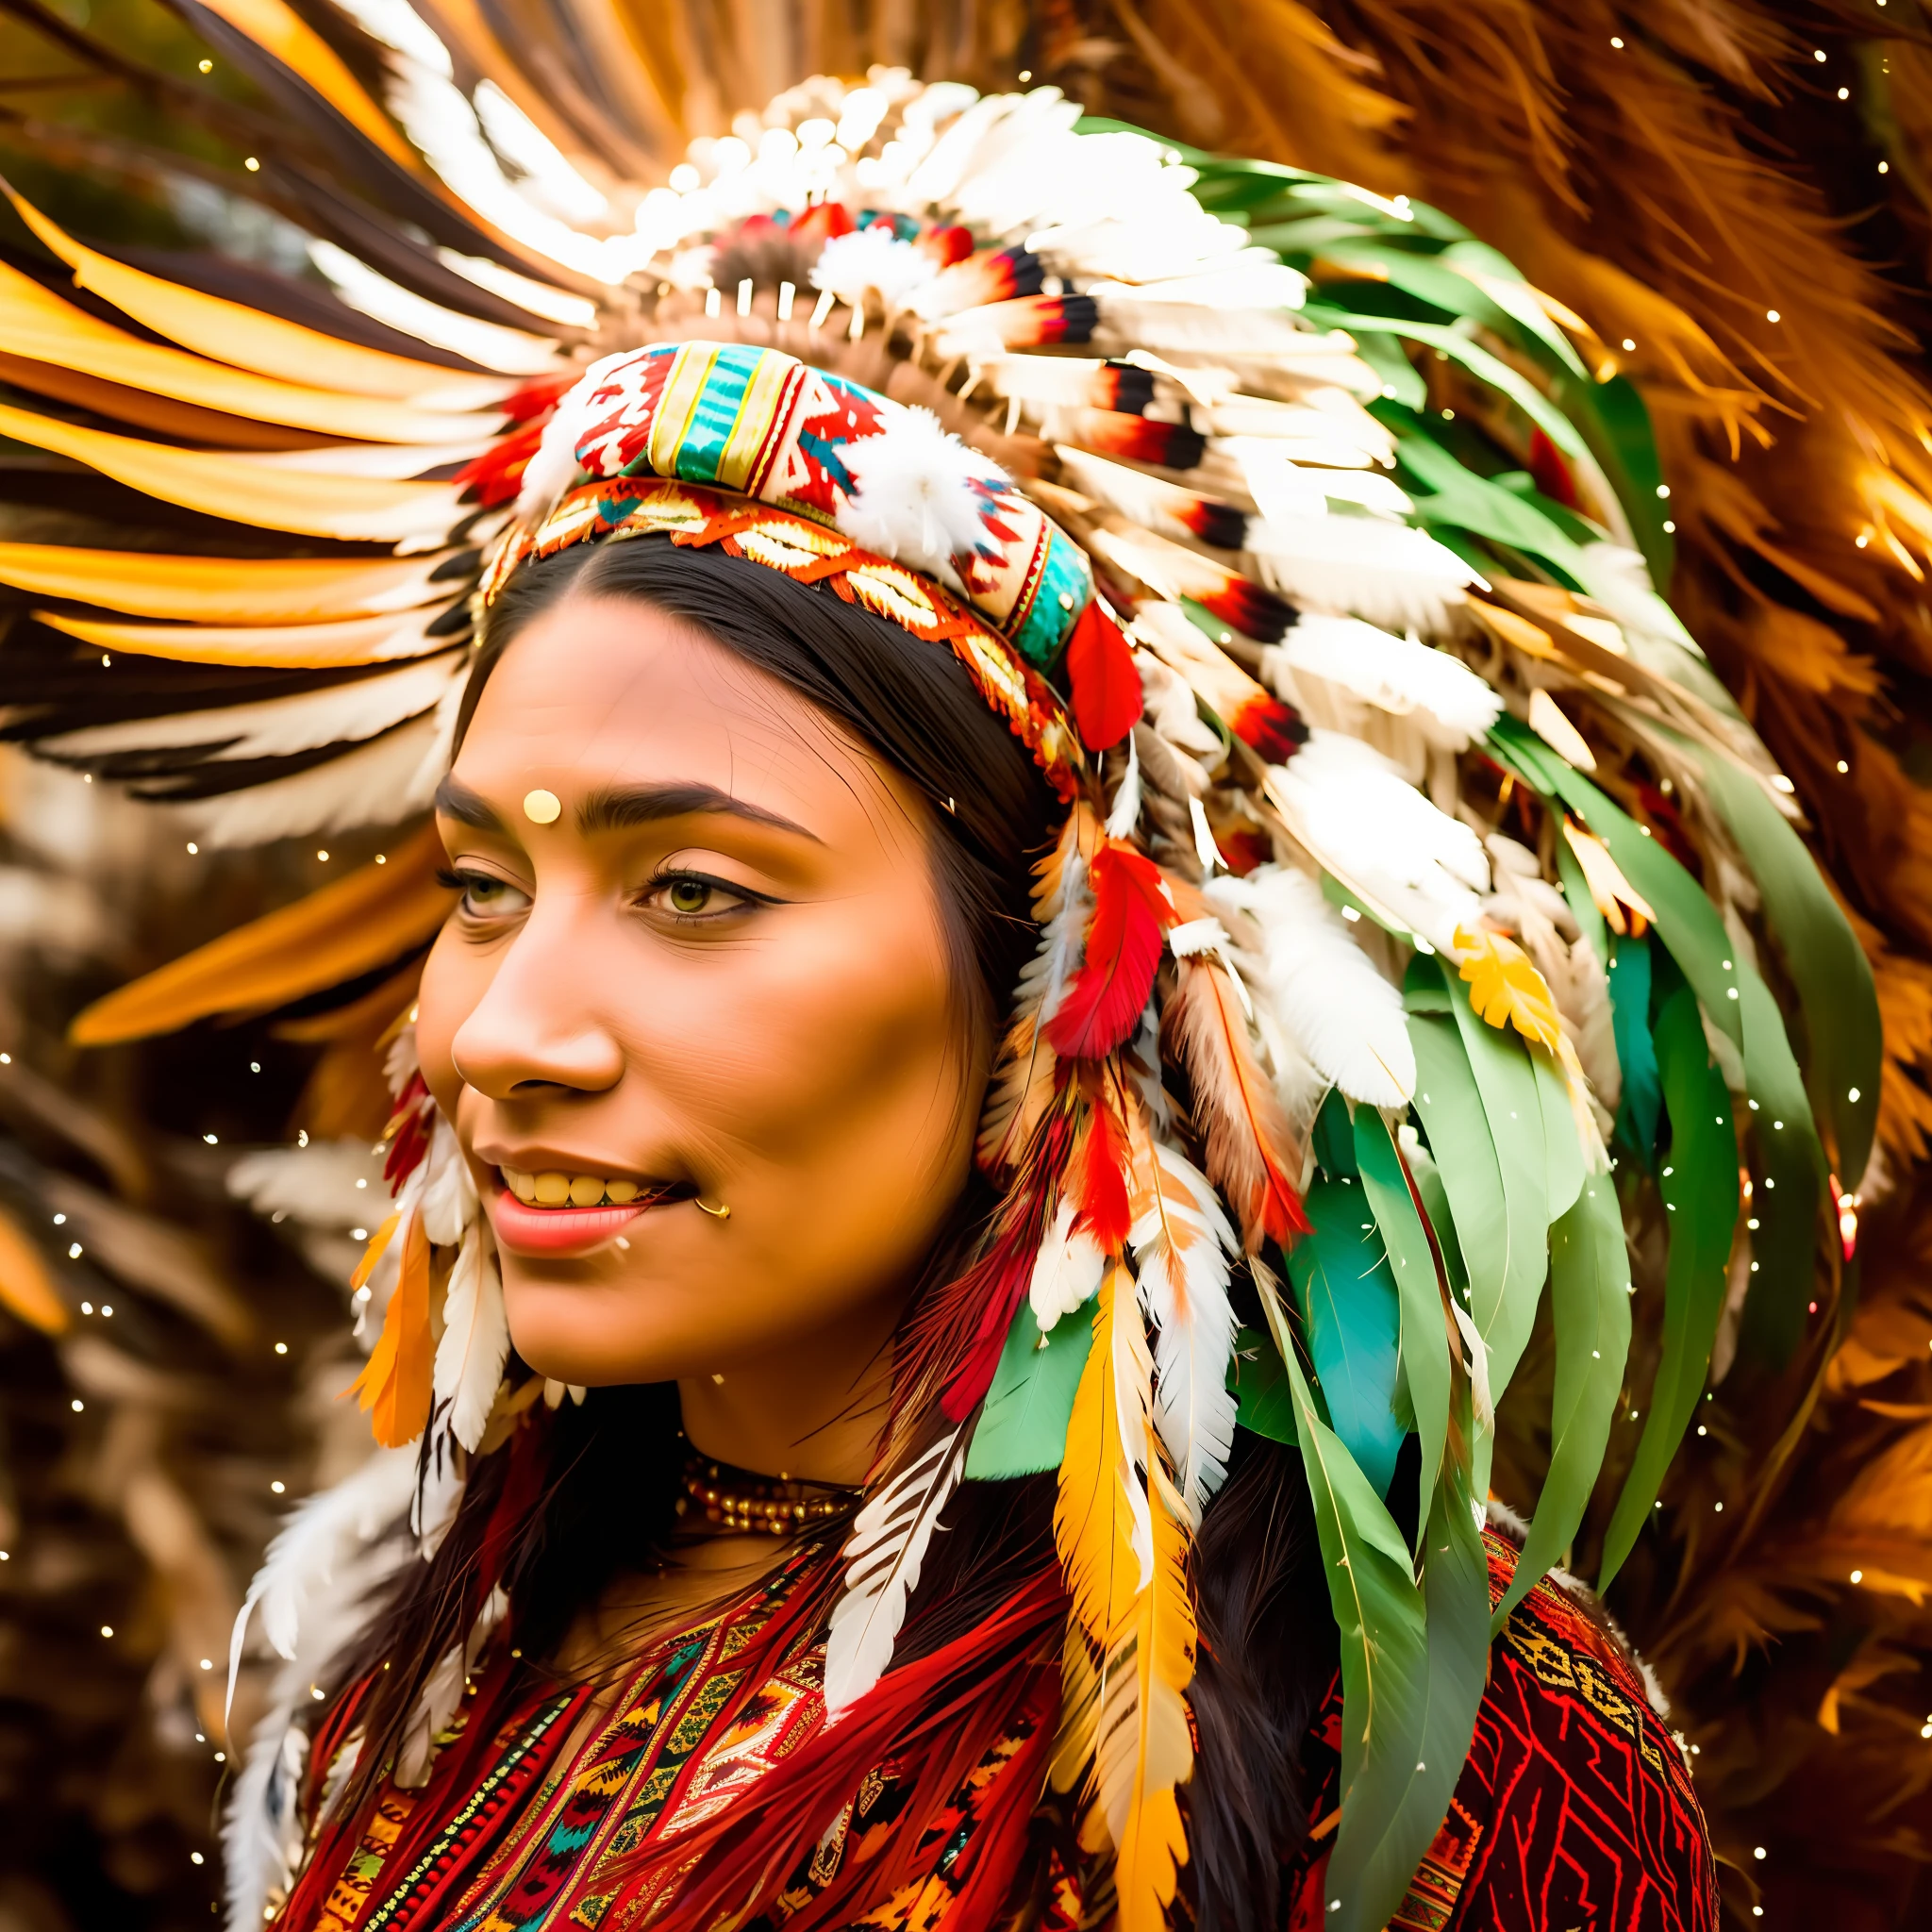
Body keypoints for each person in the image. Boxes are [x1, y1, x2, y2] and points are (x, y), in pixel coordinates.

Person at [0, 60, 1860, 1932]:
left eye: (694, 891)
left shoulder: (1426, 1755)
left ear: (1065, 966)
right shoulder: (422, 1671)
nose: (498, 1032)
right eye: (482, 886)